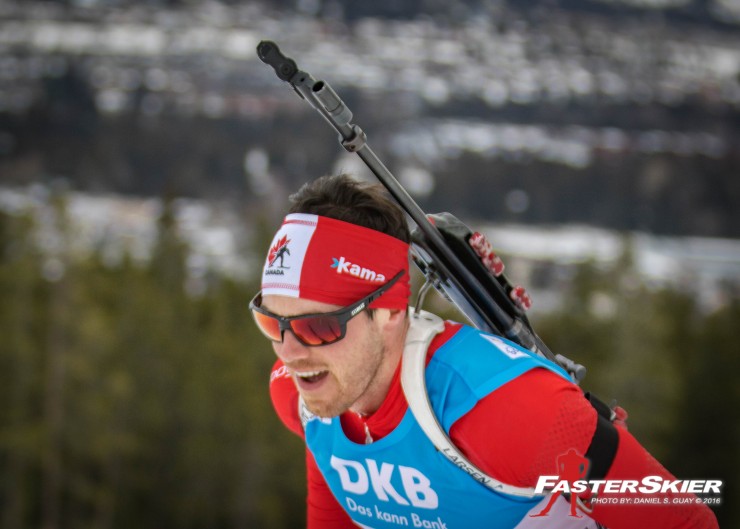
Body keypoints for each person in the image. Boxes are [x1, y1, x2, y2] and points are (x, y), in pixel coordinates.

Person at [252, 173, 719, 529]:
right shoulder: (307, 393)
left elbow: (688, 522)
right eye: (272, 321)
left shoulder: (506, 408)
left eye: (318, 326)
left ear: (390, 311)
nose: (289, 353)